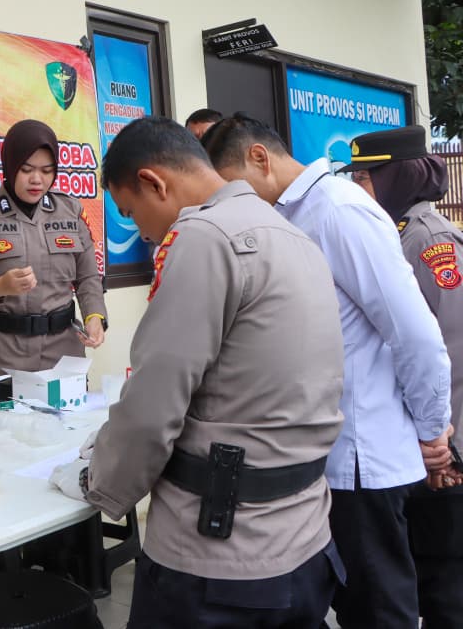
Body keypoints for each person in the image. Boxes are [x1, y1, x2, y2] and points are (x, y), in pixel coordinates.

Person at [50, 115, 346, 627]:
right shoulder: (289, 233)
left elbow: (154, 403)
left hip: (220, 557)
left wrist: (97, 480)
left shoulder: (204, 236)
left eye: (130, 213)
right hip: (303, 538)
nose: (142, 231)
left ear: (154, 182)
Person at [201, 114, 454, 629]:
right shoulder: (295, 214)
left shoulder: (338, 210)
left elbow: (414, 332)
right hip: (327, 454)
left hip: (364, 458)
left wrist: (434, 431)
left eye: (236, 186)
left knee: (380, 608)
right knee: (352, 601)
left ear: (259, 158)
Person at [338, 124, 463, 628]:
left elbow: (451, 348)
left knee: (444, 590)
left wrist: (446, 447)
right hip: (416, 445)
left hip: (444, 451)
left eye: (365, 178)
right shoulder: (389, 232)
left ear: (400, 177)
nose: (357, 188)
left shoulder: (428, 239)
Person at [0, 119, 106, 404]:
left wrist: (94, 316)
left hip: (62, 360)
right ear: (10, 166)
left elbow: (88, 277)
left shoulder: (70, 210)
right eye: (26, 169)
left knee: (67, 432)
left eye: (47, 170)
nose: (37, 180)